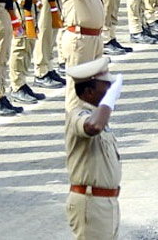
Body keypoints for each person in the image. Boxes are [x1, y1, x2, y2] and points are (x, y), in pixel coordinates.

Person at [64, 56, 124, 240]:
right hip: (90, 203)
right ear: (89, 92)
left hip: (106, 202)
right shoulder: (77, 113)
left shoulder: (96, 114)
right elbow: (93, 127)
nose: (109, 90)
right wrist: (109, 101)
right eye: (105, 87)